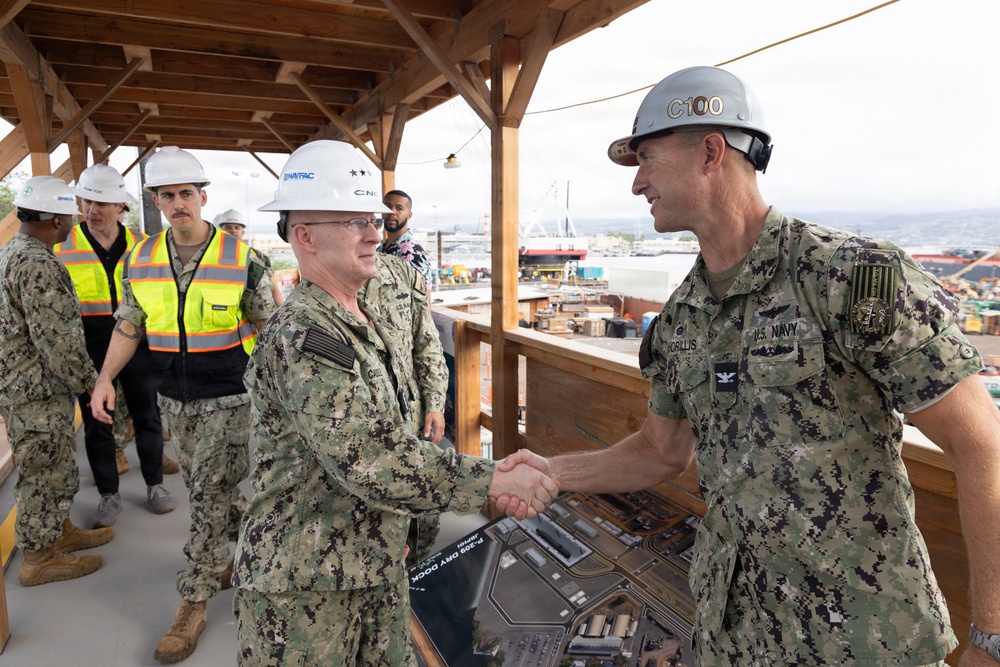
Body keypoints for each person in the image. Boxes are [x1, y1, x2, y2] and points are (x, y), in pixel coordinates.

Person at [498, 66, 1000, 667]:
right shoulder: (682, 315)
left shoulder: (848, 276)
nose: (637, 184)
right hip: (733, 638)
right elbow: (659, 452)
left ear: (711, 151)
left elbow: (983, 448)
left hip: (865, 641)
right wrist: (550, 471)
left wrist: (992, 638)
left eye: (647, 158)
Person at [231, 140, 556, 666]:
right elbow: (369, 458)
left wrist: (395, 529)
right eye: (355, 220)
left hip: (372, 563)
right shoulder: (304, 334)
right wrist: (492, 480)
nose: (374, 233)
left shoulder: (359, 320)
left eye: (376, 220)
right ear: (305, 236)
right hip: (305, 588)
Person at [89, 146, 276, 663]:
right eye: (166, 195)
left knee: (208, 497)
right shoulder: (141, 258)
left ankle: (193, 600)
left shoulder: (241, 259)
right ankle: (260, 548)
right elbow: (130, 323)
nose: (178, 204)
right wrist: (105, 378)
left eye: (185, 194)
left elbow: (271, 329)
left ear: (203, 196)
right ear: (155, 201)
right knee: (206, 488)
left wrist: (281, 398)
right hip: (173, 398)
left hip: (229, 399)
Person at [0, 176, 115, 586]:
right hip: (36, 391)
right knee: (44, 472)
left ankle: (56, 531)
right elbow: (57, 340)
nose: (75, 222)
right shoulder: (37, 264)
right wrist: (91, 382)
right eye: (69, 215)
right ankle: (39, 558)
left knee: (53, 467)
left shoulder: (13, 252)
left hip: (25, 387)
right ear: (53, 220)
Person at [55, 163, 175, 528]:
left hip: (136, 340)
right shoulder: (63, 246)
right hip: (88, 344)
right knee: (97, 422)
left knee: (147, 416)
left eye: (102, 203)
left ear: (119, 207)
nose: (92, 210)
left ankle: (155, 486)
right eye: (87, 200)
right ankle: (109, 495)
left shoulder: (143, 245)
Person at [359, 252, 447, 566]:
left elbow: (427, 340)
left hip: (414, 416)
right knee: (379, 510)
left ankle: (418, 571)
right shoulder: (325, 281)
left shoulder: (403, 272)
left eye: (371, 221)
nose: (367, 232)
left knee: (426, 506)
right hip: (367, 426)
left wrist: (435, 403)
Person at [214, 207, 284, 305]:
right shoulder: (211, 257)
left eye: (237, 227)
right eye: (228, 227)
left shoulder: (259, 257)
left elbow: (274, 288)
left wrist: (280, 315)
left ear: (242, 232)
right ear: (221, 231)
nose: (233, 231)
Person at [380, 189, 433, 284]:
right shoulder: (380, 249)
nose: (392, 212)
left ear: (409, 215)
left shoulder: (414, 254)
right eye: (387, 207)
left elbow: (424, 296)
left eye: (399, 208)